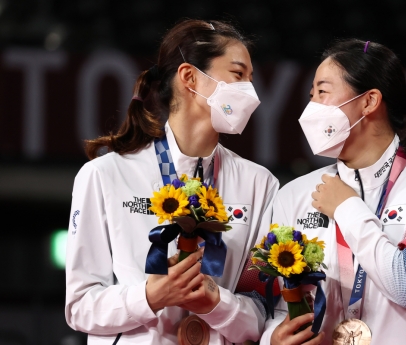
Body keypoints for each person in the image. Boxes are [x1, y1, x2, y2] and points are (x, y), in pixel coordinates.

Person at [65, 19, 279, 344]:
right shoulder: (105, 175)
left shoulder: (259, 185)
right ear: (190, 78)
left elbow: (261, 318)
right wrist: (149, 297)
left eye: (251, 78)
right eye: (238, 75)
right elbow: (80, 308)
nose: (249, 91)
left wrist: (217, 304)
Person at [261, 39, 406, 345]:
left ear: (369, 101)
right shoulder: (293, 195)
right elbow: (275, 305)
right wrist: (272, 339)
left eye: (322, 92)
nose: (311, 107)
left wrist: (346, 207)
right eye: (311, 95)